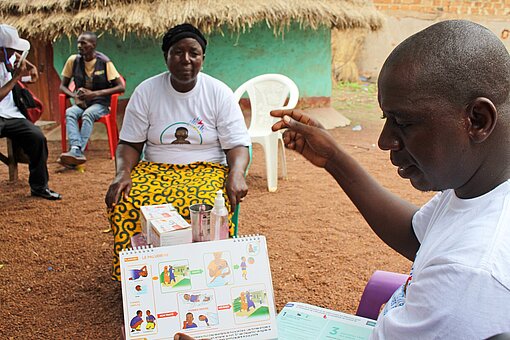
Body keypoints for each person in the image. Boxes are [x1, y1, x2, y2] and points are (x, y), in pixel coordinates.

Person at [270, 20, 510, 339]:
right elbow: (417, 235)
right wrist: (334, 159)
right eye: (386, 118)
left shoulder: (470, 274)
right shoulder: (480, 186)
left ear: (477, 120)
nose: (385, 141)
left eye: (403, 122)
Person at [105, 23, 250, 281]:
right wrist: (122, 173)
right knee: (127, 200)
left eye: (193, 53)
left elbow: (238, 144)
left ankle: (205, 276)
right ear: (166, 57)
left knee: (203, 203)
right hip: (155, 169)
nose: (186, 59)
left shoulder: (218, 93)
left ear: (203, 58)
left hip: (207, 169)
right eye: (177, 52)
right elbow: (129, 144)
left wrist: (237, 173)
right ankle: (140, 280)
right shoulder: (147, 92)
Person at [0, 24, 61, 200]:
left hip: (12, 115)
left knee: (37, 138)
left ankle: (39, 187)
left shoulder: (9, 57)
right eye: (10, 51)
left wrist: (29, 65)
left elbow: (18, 55)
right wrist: (16, 78)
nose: (13, 55)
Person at [58, 31, 124, 166]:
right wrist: (74, 95)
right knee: (70, 112)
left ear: (93, 45)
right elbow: (63, 86)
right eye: (78, 43)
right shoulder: (73, 61)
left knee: (88, 114)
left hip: (101, 104)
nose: (79, 46)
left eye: (83, 43)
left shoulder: (104, 62)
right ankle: (76, 149)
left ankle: (76, 152)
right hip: (82, 103)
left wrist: (94, 94)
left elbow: (120, 87)